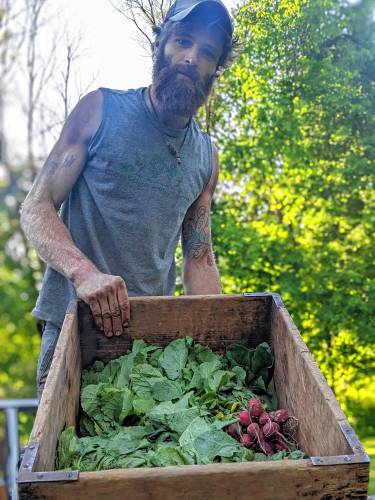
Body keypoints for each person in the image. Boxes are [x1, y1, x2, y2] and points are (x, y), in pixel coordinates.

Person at [20, 0, 234, 398]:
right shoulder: (100, 110)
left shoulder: (206, 156)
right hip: (74, 330)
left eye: (207, 53)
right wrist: (86, 275)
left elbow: (199, 257)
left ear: (215, 69)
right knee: (62, 456)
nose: (191, 58)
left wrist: (217, 341)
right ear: (160, 45)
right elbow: (36, 207)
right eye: (182, 42)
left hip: (151, 340)